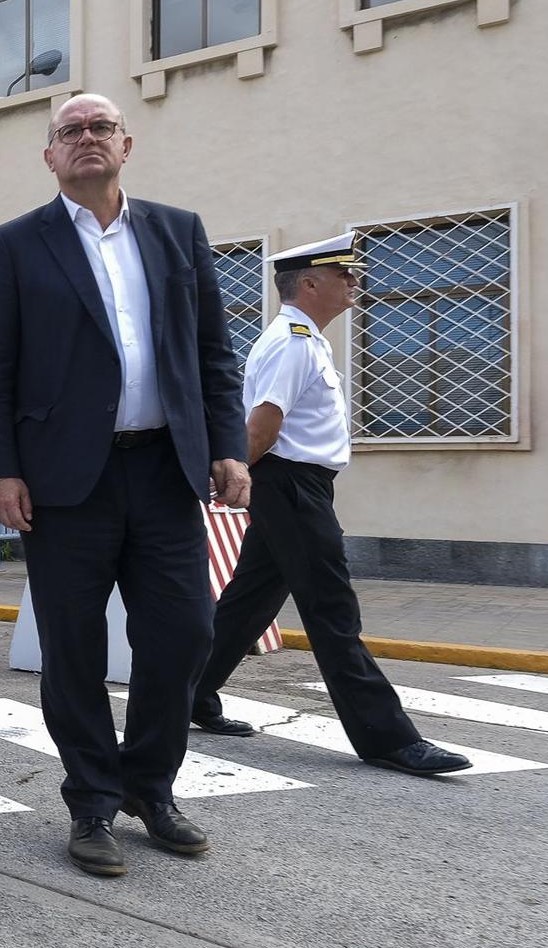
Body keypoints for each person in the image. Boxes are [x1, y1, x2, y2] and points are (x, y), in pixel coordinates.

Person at [0, 93, 249, 879]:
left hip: (165, 470)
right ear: (50, 156)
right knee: (73, 647)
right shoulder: (17, 244)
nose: (87, 139)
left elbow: (212, 355)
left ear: (126, 143)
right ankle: (92, 800)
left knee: (188, 631)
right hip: (64, 483)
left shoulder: (176, 232)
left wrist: (227, 447)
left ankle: (149, 785)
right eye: (71, 131)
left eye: (100, 128)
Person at [192, 235, 469, 777]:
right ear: (310, 283)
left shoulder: (307, 339)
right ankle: (388, 738)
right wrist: (230, 474)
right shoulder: (293, 341)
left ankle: (191, 696)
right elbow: (263, 423)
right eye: (344, 274)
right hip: (291, 485)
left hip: (298, 484)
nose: (355, 282)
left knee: (249, 601)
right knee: (332, 610)